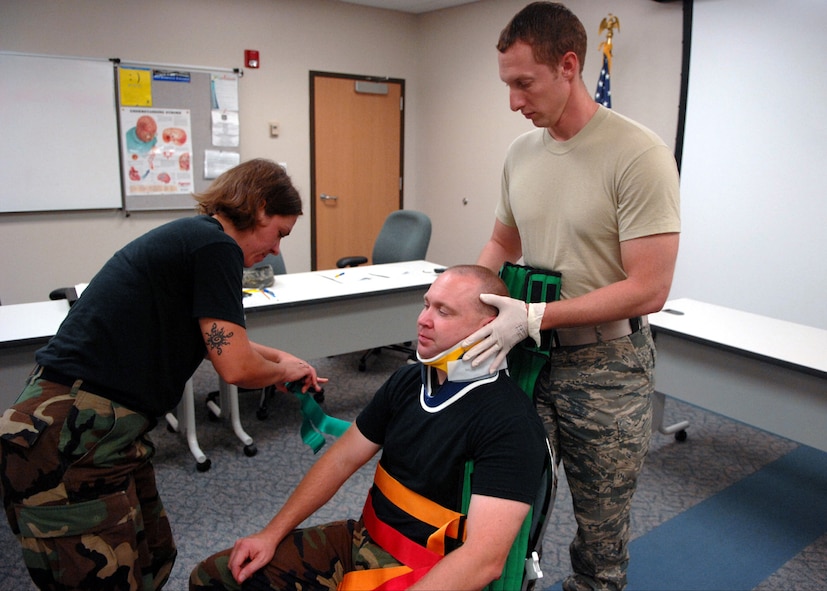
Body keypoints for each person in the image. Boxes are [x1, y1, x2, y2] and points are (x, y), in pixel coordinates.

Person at [0, 158, 324, 591]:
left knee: (152, 556)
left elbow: (219, 341)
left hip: (101, 432)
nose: (277, 249)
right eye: (280, 233)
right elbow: (235, 364)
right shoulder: (216, 247)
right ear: (260, 207)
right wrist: (279, 368)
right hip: (68, 436)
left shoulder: (197, 240)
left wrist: (282, 361)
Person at [461, 3, 681, 591]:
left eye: (523, 83)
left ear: (568, 65)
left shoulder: (639, 155)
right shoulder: (520, 154)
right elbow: (500, 243)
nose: (513, 101)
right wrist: (460, 304)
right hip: (525, 359)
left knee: (599, 540)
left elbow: (650, 288)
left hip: (606, 371)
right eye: (507, 84)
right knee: (498, 515)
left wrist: (537, 315)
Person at [189, 265, 548, 591]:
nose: (423, 319)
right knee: (213, 577)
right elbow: (341, 460)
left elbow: (484, 561)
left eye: (443, 311)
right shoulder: (408, 381)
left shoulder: (510, 422)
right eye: (426, 304)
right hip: (362, 539)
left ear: (487, 327)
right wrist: (270, 534)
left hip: (424, 569)